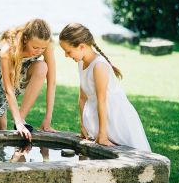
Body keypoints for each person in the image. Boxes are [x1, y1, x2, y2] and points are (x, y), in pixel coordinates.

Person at [59, 23, 150, 151]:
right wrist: (83, 126)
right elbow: (82, 98)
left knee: (129, 155)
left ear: (81, 46)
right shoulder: (81, 63)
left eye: (68, 51)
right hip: (101, 118)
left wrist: (103, 134)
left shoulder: (99, 66)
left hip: (117, 118)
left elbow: (102, 100)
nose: (66, 55)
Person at [0, 19, 57, 140]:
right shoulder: (7, 50)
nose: (39, 51)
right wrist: (17, 121)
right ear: (25, 39)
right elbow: (8, 90)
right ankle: (15, 125)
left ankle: (21, 118)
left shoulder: (46, 44)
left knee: (42, 67)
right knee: (0, 128)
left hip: (24, 70)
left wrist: (47, 119)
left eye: (43, 48)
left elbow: (52, 82)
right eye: (35, 47)